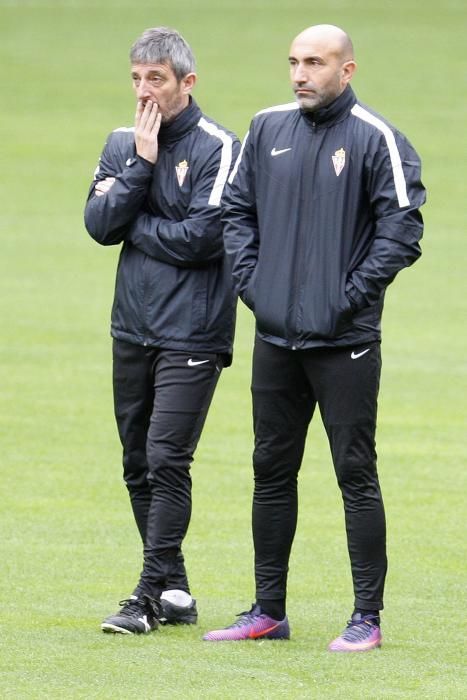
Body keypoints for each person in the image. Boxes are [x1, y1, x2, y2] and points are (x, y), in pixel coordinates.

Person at [203, 24, 425, 651]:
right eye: (295, 62)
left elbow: (402, 230)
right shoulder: (267, 128)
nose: (301, 73)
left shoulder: (375, 138)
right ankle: (267, 611)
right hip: (275, 338)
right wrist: (255, 288)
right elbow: (236, 213)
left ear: (346, 70)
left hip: (345, 341)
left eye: (316, 63)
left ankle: (366, 618)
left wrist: (347, 299)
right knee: (270, 470)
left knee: (355, 473)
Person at [84, 27, 239, 635]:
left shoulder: (220, 147)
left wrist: (136, 222)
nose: (144, 91)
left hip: (193, 333)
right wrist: (142, 168)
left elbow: (205, 238)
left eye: (157, 79)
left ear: (186, 82)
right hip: (133, 327)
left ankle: (146, 596)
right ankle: (176, 590)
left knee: (166, 458)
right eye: (136, 78)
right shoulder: (123, 143)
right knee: (135, 463)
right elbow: (99, 224)